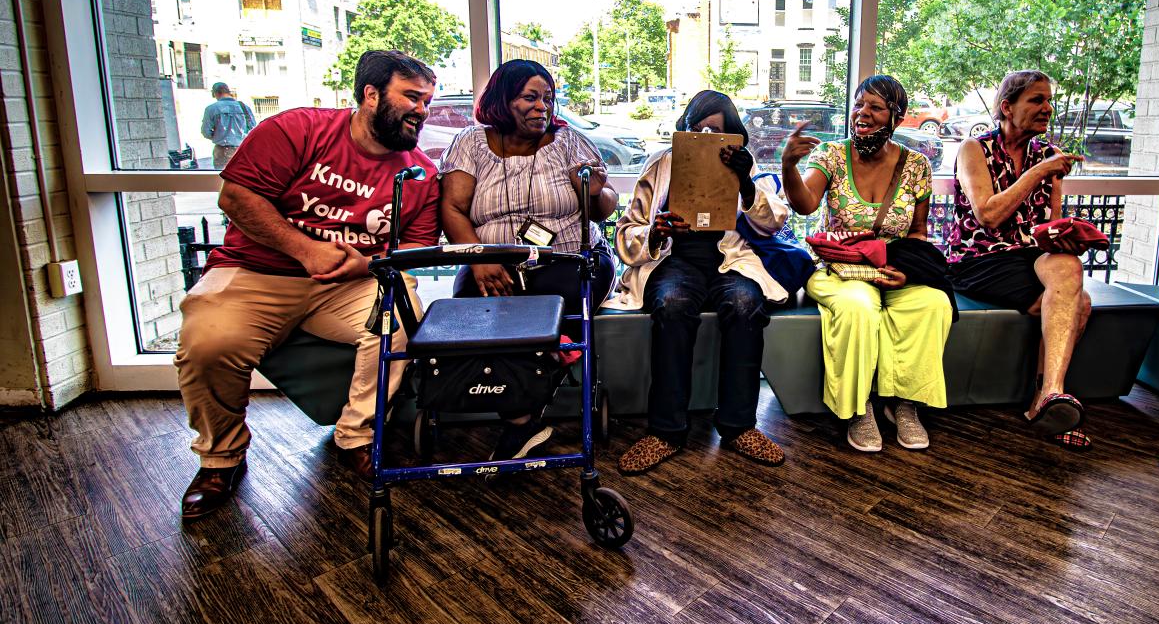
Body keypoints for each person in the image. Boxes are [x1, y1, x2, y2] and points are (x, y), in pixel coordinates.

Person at [175, 50, 441, 519]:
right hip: (257, 272)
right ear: (371, 94)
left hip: (348, 285)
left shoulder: (420, 173)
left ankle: (358, 436)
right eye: (412, 98)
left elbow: (412, 254)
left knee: (398, 317)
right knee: (208, 342)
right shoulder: (297, 130)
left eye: (427, 102)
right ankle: (221, 459)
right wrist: (306, 249)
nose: (422, 110)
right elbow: (236, 197)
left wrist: (366, 265)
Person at [438, 60, 618, 459]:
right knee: (473, 308)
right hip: (491, 263)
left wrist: (591, 190)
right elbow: (452, 208)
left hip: (568, 260)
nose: (543, 107)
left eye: (549, 99)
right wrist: (479, 259)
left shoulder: (568, 142)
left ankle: (520, 419)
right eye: (530, 97)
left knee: (539, 307)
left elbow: (605, 208)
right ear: (504, 99)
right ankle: (528, 408)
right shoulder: (471, 143)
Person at [611, 90, 792, 474]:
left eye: (717, 132)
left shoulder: (746, 166)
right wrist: (656, 231)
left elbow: (774, 220)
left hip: (729, 263)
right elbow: (627, 229)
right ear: (686, 128)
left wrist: (744, 181)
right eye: (699, 129)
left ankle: (739, 425)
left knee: (745, 305)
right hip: (675, 261)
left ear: (732, 135)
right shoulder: (662, 164)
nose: (706, 138)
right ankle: (667, 430)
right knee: (672, 304)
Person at [782, 74, 952, 452]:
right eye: (859, 105)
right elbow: (805, 204)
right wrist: (789, 165)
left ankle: (905, 404)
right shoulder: (831, 156)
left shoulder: (916, 165)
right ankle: (859, 407)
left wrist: (906, 270)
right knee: (859, 307)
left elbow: (918, 233)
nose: (863, 113)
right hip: (841, 269)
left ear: (897, 116)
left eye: (875, 107)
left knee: (933, 304)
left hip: (895, 268)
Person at [947, 70, 1094, 448]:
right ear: (1007, 107)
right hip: (977, 259)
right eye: (1037, 100)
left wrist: (1071, 236)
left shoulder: (1047, 154)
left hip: (1028, 256)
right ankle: (1042, 401)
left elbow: (1052, 226)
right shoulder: (974, 149)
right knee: (1079, 303)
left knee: (1069, 270)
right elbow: (988, 215)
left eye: (1049, 101)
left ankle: (1049, 395)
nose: (1047, 108)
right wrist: (1041, 171)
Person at [200, 82, 257, 169]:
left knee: (221, 179)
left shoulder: (211, 109)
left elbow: (205, 132)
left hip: (222, 151)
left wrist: (219, 136)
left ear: (215, 93)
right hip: (242, 150)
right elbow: (253, 128)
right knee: (242, 178)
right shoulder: (244, 107)